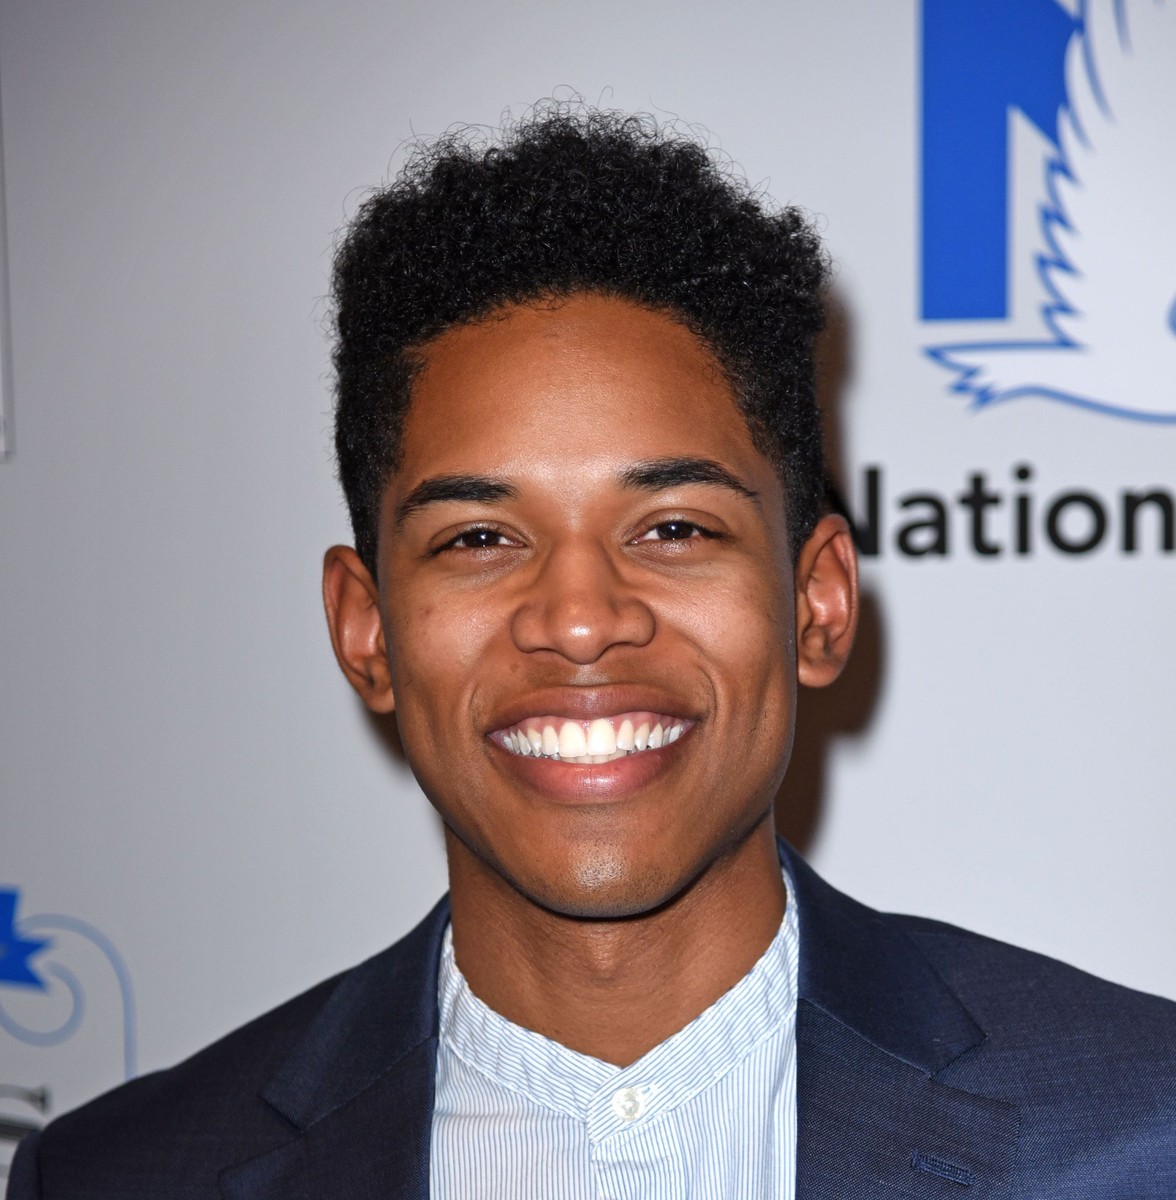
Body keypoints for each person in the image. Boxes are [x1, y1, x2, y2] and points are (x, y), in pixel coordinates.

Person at [8, 106, 1175, 1200]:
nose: (578, 619)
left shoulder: (1143, 1131)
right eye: (479, 538)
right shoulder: (119, 1178)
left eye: (673, 529)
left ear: (817, 602)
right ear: (365, 631)